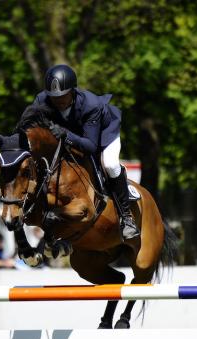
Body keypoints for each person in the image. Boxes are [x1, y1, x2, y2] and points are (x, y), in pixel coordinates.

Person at [31, 64, 139, 241]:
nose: (58, 101)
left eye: (63, 96)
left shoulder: (91, 106)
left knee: (110, 164)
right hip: (72, 134)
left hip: (103, 133)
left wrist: (65, 134)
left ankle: (126, 218)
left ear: (72, 91)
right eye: (54, 97)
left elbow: (90, 147)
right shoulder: (41, 102)